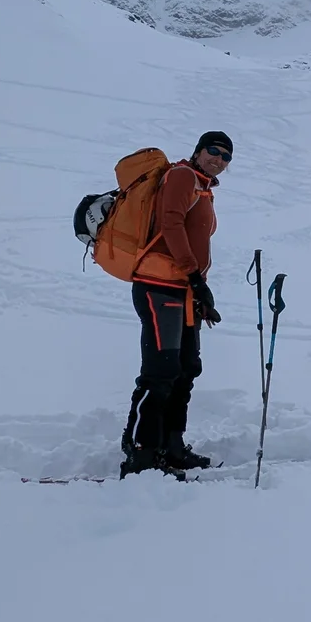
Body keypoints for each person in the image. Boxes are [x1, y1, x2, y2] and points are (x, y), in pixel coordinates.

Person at [121, 131, 232, 475]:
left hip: (183, 291)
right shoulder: (183, 176)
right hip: (159, 286)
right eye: (213, 151)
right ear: (198, 151)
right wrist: (194, 277)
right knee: (161, 373)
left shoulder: (202, 187)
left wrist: (198, 291)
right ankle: (141, 451)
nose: (219, 159)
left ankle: (171, 447)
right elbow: (170, 223)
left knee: (184, 371)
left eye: (226, 156)